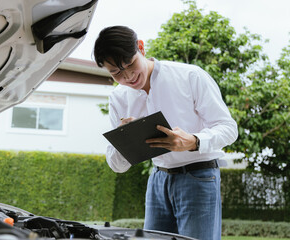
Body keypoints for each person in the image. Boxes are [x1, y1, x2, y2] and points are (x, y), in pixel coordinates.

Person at [93, 25, 238, 240]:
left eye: (130, 64)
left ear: (141, 48)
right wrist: (126, 138)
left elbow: (228, 128)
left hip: (199, 176)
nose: (129, 76)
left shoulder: (190, 76)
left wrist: (194, 141)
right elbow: (117, 166)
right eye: (116, 72)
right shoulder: (118, 98)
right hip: (157, 179)